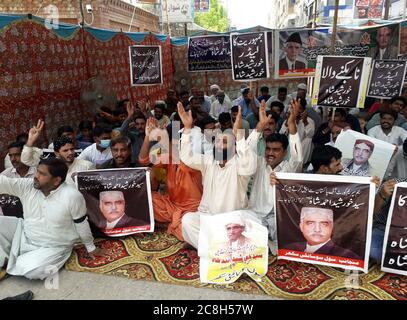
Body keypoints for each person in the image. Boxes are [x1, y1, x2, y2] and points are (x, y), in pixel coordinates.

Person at [0, 158, 104, 280]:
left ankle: (14, 258)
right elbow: (3, 182)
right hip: (24, 234)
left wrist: (90, 247)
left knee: (33, 271)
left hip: (53, 246)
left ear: (56, 181)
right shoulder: (27, 186)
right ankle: (8, 258)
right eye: (37, 171)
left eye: (42, 174)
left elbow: (81, 223)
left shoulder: (72, 196)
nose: (36, 176)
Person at [178, 102, 257, 249]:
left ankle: (206, 245)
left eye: (225, 142)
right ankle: (217, 249)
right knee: (188, 220)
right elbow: (186, 157)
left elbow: (250, 167)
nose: (219, 145)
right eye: (218, 141)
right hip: (208, 217)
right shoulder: (208, 160)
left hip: (232, 220)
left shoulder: (240, 164)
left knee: (250, 228)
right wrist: (187, 129)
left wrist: (239, 134)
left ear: (234, 148)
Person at [246, 99, 303, 245]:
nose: (270, 153)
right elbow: (246, 150)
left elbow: (297, 156)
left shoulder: (288, 168)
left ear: (284, 152)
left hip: (276, 218)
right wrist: (260, 126)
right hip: (254, 215)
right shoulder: (258, 163)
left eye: (276, 150)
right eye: (268, 149)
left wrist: (291, 123)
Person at [21, 120, 95, 184]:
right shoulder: (49, 162)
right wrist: (31, 140)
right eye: (65, 150)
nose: (70, 153)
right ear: (57, 153)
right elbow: (26, 160)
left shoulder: (86, 166)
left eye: (72, 149)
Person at [285, 207, 361, 259]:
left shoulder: (348, 256)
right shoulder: (290, 249)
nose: (317, 229)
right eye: (310, 223)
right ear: (301, 226)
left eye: (324, 224)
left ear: (332, 227)